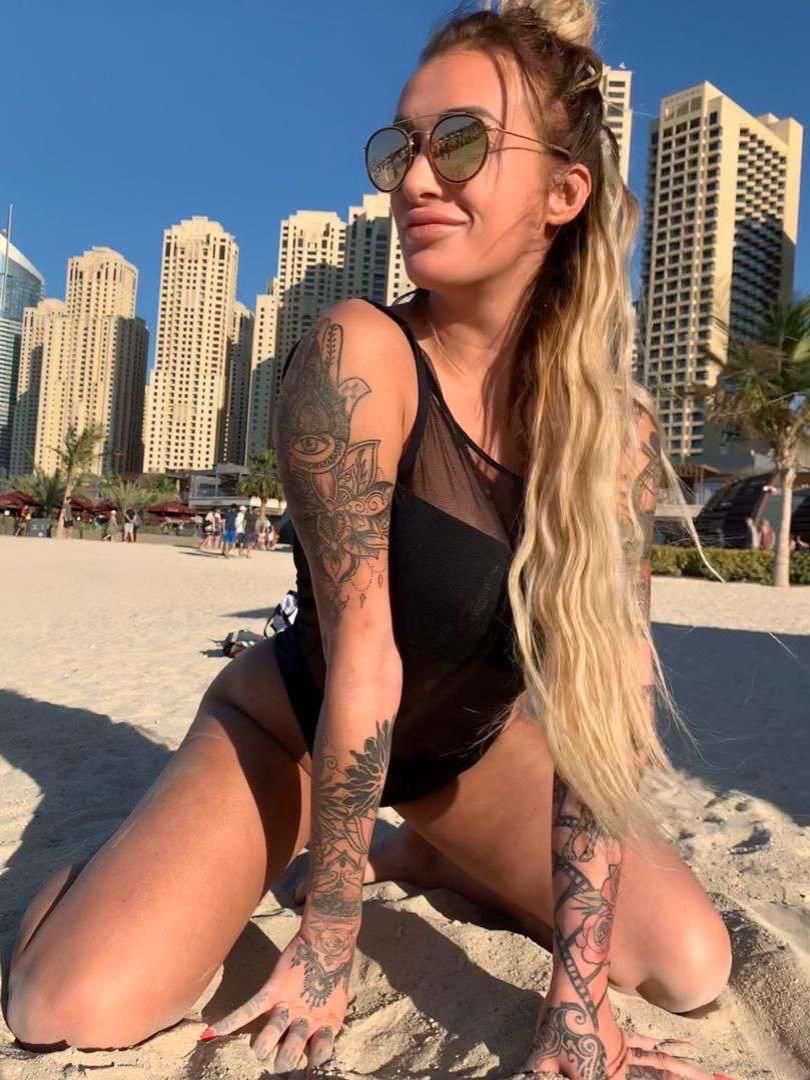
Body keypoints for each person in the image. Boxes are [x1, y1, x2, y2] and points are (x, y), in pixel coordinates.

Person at [6, 5, 734, 1078]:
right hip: (297, 733)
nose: (416, 179)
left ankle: (424, 849)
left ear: (564, 192)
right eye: (402, 148)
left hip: (463, 760)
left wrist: (575, 1005)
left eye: (463, 143)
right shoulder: (359, 356)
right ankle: (119, 870)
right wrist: (328, 940)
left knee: (690, 964)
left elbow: (605, 711)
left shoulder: (612, 434)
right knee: (67, 1005)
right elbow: (364, 664)